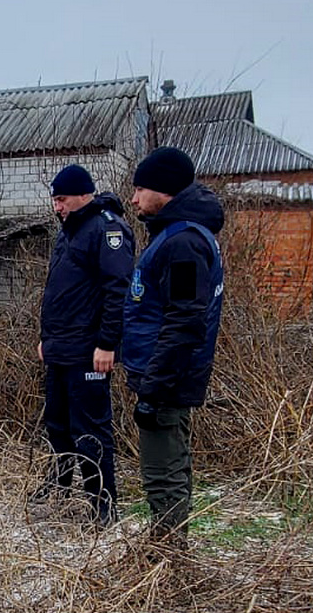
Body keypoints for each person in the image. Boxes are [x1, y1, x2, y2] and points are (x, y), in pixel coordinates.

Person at [122, 146, 225, 544]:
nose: (134, 198)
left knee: (163, 468)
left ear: (163, 190)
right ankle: (171, 543)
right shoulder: (176, 236)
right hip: (165, 373)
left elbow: (185, 320)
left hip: (167, 377)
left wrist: (154, 387)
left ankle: (168, 555)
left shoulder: (183, 244)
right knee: (170, 461)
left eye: (140, 189)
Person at [32, 164, 135, 527]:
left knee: (91, 431)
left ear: (82, 194)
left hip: (90, 352)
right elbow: (59, 293)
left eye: (62, 199)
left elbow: (117, 290)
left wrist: (107, 344)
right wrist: (47, 339)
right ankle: (60, 490)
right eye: (54, 200)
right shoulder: (68, 232)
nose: (57, 207)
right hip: (61, 349)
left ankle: (102, 505)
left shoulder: (107, 229)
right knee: (58, 425)